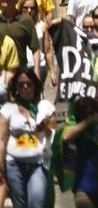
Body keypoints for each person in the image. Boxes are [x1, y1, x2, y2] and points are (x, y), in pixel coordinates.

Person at [0, 68, 55, 208]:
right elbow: (2, 139)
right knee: (20, 205)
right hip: (13, 164)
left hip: (38, 164)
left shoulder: (45, 106)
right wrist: (0, 165)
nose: (25, 87)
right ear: (16, 88)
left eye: (29, 84)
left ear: (35, 85)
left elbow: (54, 135)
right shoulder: (8, 108)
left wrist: (45, 128)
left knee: (36, 203)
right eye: (21, 84)